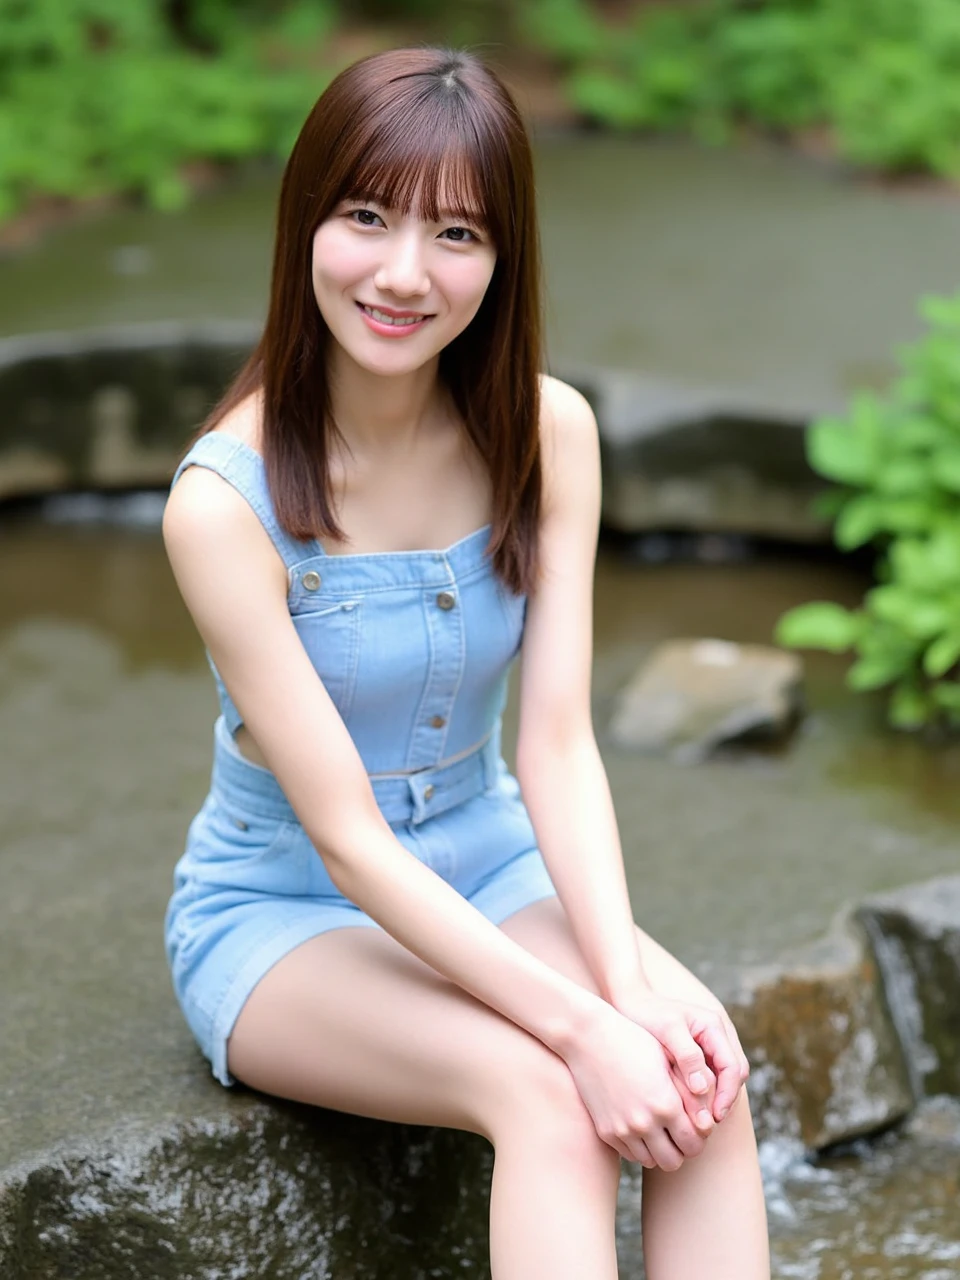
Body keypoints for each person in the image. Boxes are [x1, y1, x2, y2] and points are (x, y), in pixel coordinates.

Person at [162, 46, 770, 1279]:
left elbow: (554, 742)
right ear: (305, 226)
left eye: (455, 233)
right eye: (367, 217)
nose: (403, 273)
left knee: (694, 1069)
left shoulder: (549, 433)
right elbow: (347, 839)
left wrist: (629, 990)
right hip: (288, 911)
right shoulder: (222, 506)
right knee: (552, 1097)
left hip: (491, 857)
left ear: (502, 260)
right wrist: (582, 1026)